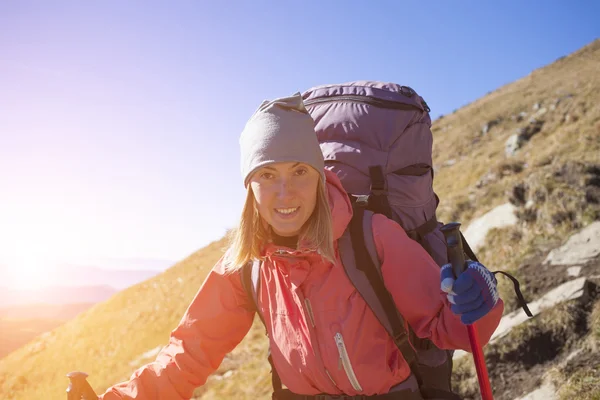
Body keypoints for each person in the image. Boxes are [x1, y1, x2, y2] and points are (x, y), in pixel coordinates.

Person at [99, 93, 504, 400]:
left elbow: (451, 328)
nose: (285, 192)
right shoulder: (245, 262)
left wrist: (479, 298)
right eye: (267, 174)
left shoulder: (371, 237)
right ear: (249, 187)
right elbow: (190, 353)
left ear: (318, 175)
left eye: (299, 171)